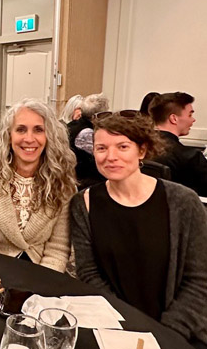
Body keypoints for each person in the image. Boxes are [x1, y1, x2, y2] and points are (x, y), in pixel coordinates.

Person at [69, 112, 207, 346]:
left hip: (177, 331)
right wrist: (126, 325)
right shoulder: (83, 203)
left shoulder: (183, 202)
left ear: (141, 151)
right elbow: (90, 274)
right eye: (101, 148)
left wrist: (166, 332)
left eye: (122, 146)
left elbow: (199, 279)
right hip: (113, 329)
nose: (110, 156)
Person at [0, 99, 76, 272]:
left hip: (44, 275)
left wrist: (40, 290)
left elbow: (58, 249)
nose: (29, 139)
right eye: (21, 130)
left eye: (38, 130)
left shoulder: (63, 183)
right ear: (8, 135)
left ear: (49, 136)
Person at [149, 92, 207, 195]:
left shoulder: (138, 148)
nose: (193, 119)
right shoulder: (190, 157)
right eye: (190, 115)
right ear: (174, 119)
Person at [67, 93, 108, 189]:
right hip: (85, 182)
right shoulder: (86, 133)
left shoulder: (73, 124)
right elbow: (99, 157)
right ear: (98, 115)